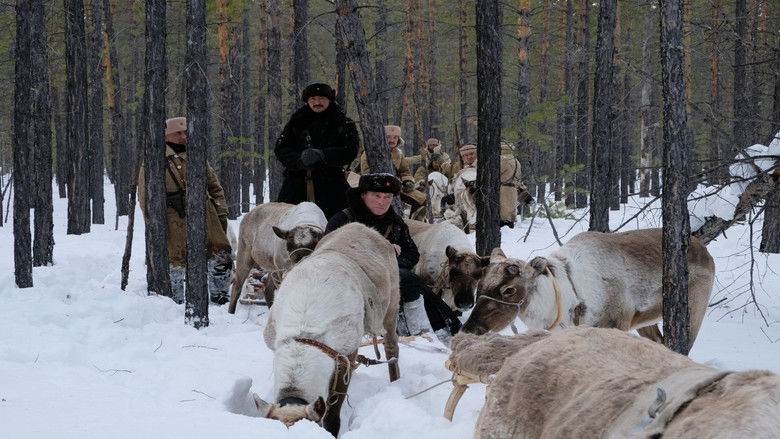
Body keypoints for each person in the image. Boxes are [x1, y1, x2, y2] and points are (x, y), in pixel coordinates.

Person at [325, 173, 462, 344]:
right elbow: (329, 255)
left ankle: (442, 330)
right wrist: (383, 254)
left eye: (388, 197)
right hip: (349, 281)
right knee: (407, 279)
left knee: (408, 280)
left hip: (392, 278)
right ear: (363, 195)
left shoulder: (395, 223)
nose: (382, 202)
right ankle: (431, 329)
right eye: (376, 196)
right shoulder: (343, 219)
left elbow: (412, 253)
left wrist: (392, 264)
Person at [138, 117, 233, 304]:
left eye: (185, 133)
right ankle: (175, 301)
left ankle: (220, 297)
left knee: (221, 253)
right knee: (176, 260)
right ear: (166, 135)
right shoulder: (154, 160)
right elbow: (145, 197)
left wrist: (221, 211)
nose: (183, 137)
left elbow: (214, 186)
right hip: (172, 217)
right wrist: (152, 224)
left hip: (207, 214)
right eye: (178, 133)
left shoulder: (196, 156)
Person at [274, 82, 360, 219]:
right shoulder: (296, 122)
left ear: (329, 100)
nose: (317, 102)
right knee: (288, 223)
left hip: (332, 183)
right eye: (313, 99)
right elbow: (281, 148)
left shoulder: (343, 123)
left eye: (321, 98)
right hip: (296, 183)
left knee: (339, 225)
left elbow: (350, 150)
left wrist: (323, 155)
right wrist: (298, 160)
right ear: (307, 101)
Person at [359, 125, 427, 216]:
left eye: (395, 137)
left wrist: (408, 181)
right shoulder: (370, 152)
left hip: (397, 186)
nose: (392, 140)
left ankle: (413, 222)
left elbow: (405, 171)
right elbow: (366, 173)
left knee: (423, 200)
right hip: (377, 187)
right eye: (388, 137)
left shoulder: (398, 153)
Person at [499, 141, 524, 228]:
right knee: (511, 211)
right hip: (513, 190)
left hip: (503, 189)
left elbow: (496, 173)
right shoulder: (516, 161)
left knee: (504, 213)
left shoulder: (503, 160)